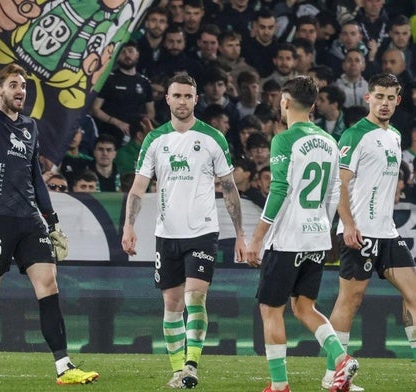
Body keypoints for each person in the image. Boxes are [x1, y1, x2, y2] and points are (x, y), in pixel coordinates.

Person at [0, 47, 98, 386]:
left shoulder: (30, 127)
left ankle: (64, 367)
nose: (20, 90)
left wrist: (52, 221)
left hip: (29, 220)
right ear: (0, 89)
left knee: (49, 284)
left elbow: (35, 177)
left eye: (23, 85)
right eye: (13, 84)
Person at [121, 73, 247, 389]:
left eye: (188, 96)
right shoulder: (155, 140)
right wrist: (129, 225)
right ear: (167, 99)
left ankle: (191, 366)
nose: (182, 102)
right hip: (167, 234)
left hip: (203, 231)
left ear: (196, 99)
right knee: (172, 305)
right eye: (176, 96)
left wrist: (241, 234)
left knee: (195, 298)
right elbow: (138, 188)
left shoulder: (212, 138)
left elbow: (230, 189)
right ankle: (177, 371)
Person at [245, 76, 359, 392]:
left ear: (284, 101)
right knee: (304, 307)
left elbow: (279, 188)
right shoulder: (329, 141)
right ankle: (340, 357)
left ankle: (279, 385)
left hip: (289, 237)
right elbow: (337, 191)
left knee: (271, 309)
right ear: (312, 105)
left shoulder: (284, 139)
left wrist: (257, 237)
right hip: (318, 236)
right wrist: (335, 225)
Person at [321, 72, 416, 391]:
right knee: (351, 300)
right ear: (368, 98)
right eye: (380, 97)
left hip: (387, 231)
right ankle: (332, 373)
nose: (385, 103)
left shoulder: (395, 136)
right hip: (359, 231)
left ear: (397, 100)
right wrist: (347, 224)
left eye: (391, 98)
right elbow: (339, 185)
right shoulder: (354, 134)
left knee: (414, 294)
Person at [91, 41, 155, 147]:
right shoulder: (109, 79)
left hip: (134, 138)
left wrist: (140, 127)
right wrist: (116, 122)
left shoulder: (144, 82)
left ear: (137, 54)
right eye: (122, 52)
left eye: (130, 51)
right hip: (109, 133)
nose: (127, 55)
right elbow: (95, 109)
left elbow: (151, 112)